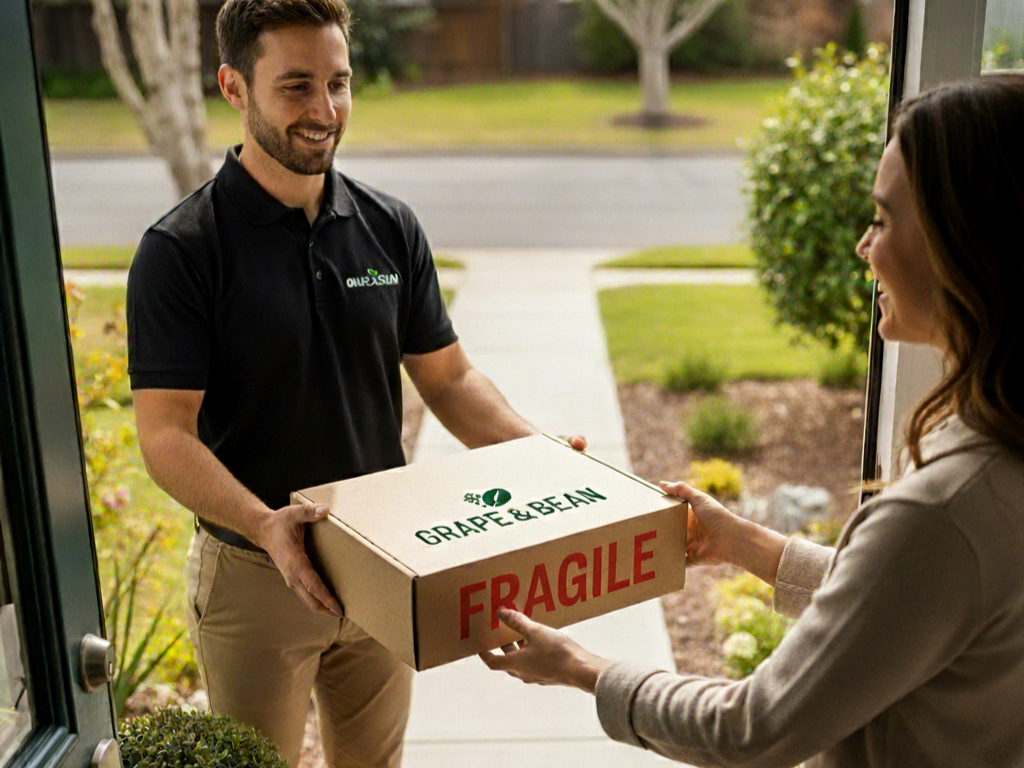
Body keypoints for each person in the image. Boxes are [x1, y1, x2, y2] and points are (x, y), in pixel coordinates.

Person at [481, 75, 1024, 767]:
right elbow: (907, 606)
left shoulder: (944, 511)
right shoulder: (996, 455)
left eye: (883, 220)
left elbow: (753, 729)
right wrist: (746, 546)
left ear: (964, 242)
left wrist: (581, 666)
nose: (864, 246)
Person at [127, 1, 582, 766]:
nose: (325, 111)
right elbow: (164, 434)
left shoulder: (388, 225)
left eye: (339, 84)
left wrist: (543, 456)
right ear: (234, 88)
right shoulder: (181, 251)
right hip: (255, 573)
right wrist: (267, 523)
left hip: (383, 560)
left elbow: (452, 378)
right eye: (297, 86)